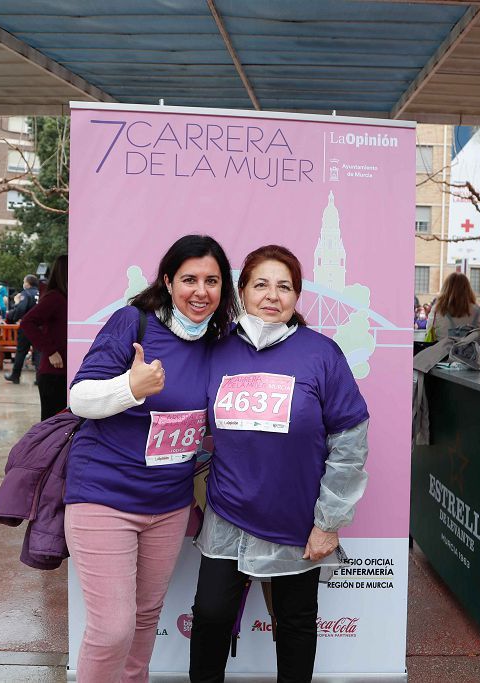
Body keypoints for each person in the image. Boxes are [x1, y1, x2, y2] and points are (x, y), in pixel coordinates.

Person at [189, 245, 369, 682]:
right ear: (243, 291)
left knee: (295, 623)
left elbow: (350, 439)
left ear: (297, 296)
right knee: (211, 617)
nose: (272, 295)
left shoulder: (322, 354)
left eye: (284, 286)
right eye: (261, 284)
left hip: (297, 520)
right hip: (228, 514)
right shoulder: (215, 351)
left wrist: (330, 520)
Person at [63, 235, 236, 682]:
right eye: (190, 279)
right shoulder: (133, 324)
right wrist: (129, 388)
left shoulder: (218, 343)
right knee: (112, 629)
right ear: (167, 281)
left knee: (144, 619)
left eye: (212, 281)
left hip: (169, 503)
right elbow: (80, 397)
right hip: (104, 495)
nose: (201, 291)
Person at [20, 255, 68, 420]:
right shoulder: (55, 297)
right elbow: (27, 322)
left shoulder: (68, 298)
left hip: (65, 371)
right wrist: (51, 351)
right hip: (54, 372)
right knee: (52, 427)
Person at [426, 272, 480, 344]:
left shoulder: (437, 309)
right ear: (467, 288)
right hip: (468, 353)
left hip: (442, 353)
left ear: (446, 288)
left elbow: (429, 330)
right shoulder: (477, 310)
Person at [4, 275, 40, 383]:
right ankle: (39, 378)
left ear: (27, 283)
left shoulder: (26, 293)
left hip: (27, 326)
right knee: (38, 352)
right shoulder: (40, 293)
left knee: (21, 351)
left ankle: (15, 375)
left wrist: (13, 316)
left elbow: (21, 308)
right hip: (40, 326)